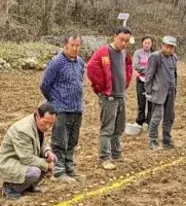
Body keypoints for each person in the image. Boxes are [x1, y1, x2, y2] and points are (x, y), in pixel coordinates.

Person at [86, 27, 133, 170]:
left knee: (119, 127)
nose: (123, 43)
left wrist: (126, 82)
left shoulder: (124, 54)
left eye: (126, 41)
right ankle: (104, 157)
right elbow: (91, 68)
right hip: (109, 97)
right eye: (121, 39)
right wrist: (102, 87)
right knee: (107, 128)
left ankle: (116, 153)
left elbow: (128, 68)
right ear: (114, 36)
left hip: (120, 95)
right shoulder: (103, 52)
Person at [40, 35, 85, 184]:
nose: (75, 48)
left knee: (72, 141)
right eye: (72, 45)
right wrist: (55, 101)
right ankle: (58, 171)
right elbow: (45, 85)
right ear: (66, 45)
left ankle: (69, 167)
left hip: (76, 108)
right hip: (61, 109)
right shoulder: (57, 62)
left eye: (78, 46)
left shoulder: (80, 62)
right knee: (60, 141)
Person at [0, 103, 58, 200]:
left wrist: (47, 152)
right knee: (35, 171)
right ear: (37, 115)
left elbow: (41, 142)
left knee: (52, 159)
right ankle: (9, 189)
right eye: (45, 122)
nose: (48, 127)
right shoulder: (23, 130)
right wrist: (47, 165)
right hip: (9, 162)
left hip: (22, 160)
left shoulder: (37, 124)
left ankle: (28, 186)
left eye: (51, 124)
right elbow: (26, 159)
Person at [145, 35, 179, 150]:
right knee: (157, 116)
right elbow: (149, 75)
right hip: (158, 91)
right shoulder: (155, 57)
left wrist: (175, 88)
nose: (169, 49)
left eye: (171, 47)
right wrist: (148, 91)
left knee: (169, 117)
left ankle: (166, 140)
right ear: (162, 46)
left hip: (170, 91)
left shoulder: (174, 57)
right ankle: (152, 140)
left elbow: (174, 74)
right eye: (167, 47)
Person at [133, 36, 154, 127]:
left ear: (151, 44)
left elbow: (156, 67)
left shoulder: (154, 54)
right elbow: (136, 66)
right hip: (141, 80)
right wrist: (149, 70)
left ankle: (150, 121)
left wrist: (149, 70)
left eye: (149, 43)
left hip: (151, 81)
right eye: (145, 43)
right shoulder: (137, 53)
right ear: (142, 43)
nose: (147, 45)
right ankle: (140, 120)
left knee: (151, 102)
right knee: (141, 102)